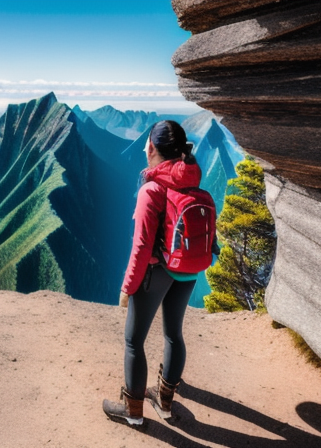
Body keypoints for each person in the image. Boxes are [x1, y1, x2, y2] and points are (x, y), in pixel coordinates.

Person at [102, 120, 202, 426]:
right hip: (187, 269)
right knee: (174, 334)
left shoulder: (152, 188)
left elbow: (142, 247)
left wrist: (127, 287)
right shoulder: (191, 180)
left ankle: (133, 411)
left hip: (155, 273)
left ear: (152, 148)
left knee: (134, 341)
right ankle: (164, 400)